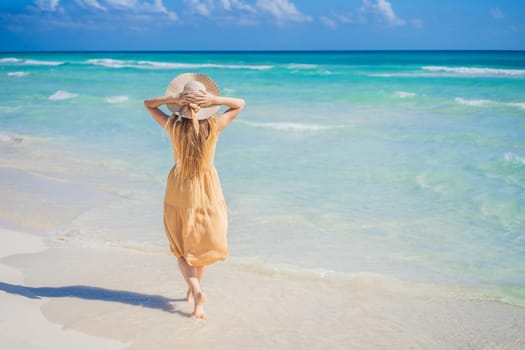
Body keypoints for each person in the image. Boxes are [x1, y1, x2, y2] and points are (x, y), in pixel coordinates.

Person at [144, 73, 245, 318]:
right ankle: (195, 291)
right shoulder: (214, 125)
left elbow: (148, 104)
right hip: (207, 189)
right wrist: (214, 100)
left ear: (180, 104)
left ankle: (195, 291)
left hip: (179, 187)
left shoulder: (173, 126)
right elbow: (240, 103)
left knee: (181, 248)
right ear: (205, 107)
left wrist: (174, 98)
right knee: (198, 245)